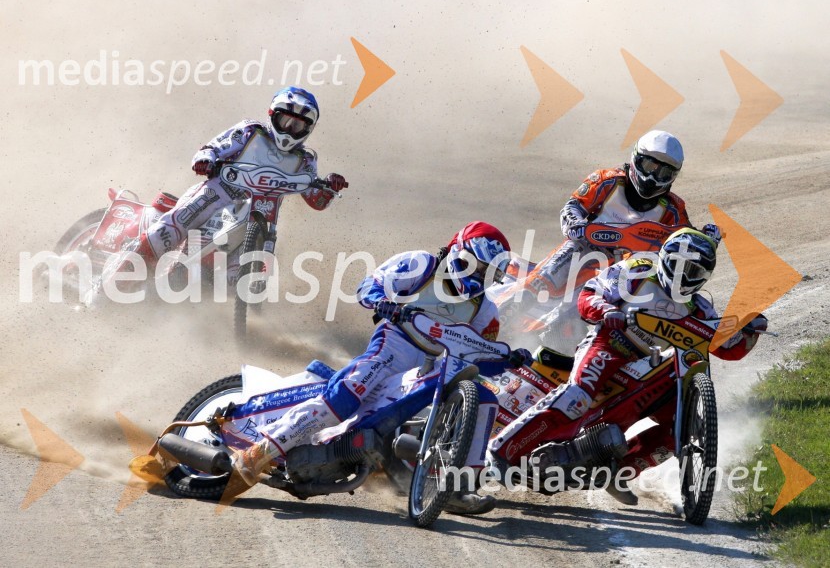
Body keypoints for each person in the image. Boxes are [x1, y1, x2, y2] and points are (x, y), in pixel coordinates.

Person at [230, 221, 526, 514]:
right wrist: (383, 303)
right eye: (479, 267)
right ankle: (259, 453)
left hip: (437, 366)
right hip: (393, 346)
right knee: (349, 392)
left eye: (488, 273)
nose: (480, 277)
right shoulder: (422, 264)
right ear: (460, 253)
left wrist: (510, 360)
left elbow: (480, 358)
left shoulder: (486, 311)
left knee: (485, 397)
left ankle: (457, 488)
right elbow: (370, 285)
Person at [488, 228, 767, 504]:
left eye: (693, 271)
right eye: (679, 265)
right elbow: (590, 293)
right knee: (577, 396)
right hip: (609, 344)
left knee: (681, 429)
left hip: (651, 367)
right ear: (665, 258)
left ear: (704, 277)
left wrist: (750, 331)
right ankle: (501, 451)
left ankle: (616, 472)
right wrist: (607, 310)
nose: (683, 275)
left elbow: (726, 348)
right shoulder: (637, 270)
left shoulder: (701, 309)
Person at [497, 130, 719, 352]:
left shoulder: (673, 209)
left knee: (577, 314)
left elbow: (686, 242)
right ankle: (495, 323)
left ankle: (563, 349)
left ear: (673, 176)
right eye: (650, 166)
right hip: (584, 249)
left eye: (663, 172)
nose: (653, 177)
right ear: (636, 159)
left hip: (625, 271)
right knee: (543, 280)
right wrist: (576, 224)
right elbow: (572, 207)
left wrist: (707, 239)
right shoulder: (607, 181)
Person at [118, 86, 347, 272]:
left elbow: (315, 198)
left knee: (238, 272)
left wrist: (330, 186)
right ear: (272, 115)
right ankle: (118, 277)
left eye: (297, 125)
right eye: (284, 121)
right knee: (175, 224)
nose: (288, 130)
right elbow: (213, 147)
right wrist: (205, 159)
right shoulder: (250, 131)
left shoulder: (305, 160)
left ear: (308, 129)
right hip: (219, 192)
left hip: (260, 212)